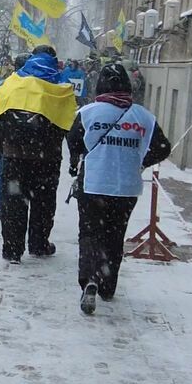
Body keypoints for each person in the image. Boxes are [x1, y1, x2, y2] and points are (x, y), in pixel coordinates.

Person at [65, 63, 171, 314]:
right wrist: (140, 161)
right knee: (114, 236)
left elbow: (73, 141)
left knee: (90, 234)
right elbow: (163, 147)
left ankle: (89, 279)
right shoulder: (143, 117)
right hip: (125, 188)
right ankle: (107, 285)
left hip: (93, 184)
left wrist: (74, 162)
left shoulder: (89, 112)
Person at [0, 46, 79, 264]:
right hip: (47, 160)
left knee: (13, 202)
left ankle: (12, 249)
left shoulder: (13, 83)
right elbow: (71, 125)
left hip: (15, 157)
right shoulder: (61, 86)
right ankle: (38, 243)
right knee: (43, 203)